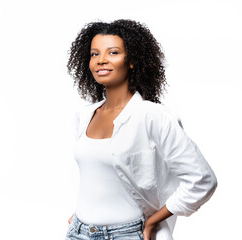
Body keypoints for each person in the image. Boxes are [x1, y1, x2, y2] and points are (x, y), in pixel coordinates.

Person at [65, 19, 217, 240]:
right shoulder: (84, 116)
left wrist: (154, 220)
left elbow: (202, 179)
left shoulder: (153, 117)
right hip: (79, 232)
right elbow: (97, 179)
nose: (101, 60)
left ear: (132, 61)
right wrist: (80, 216)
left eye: (113, 52)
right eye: (94, 54)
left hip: (129, 234)